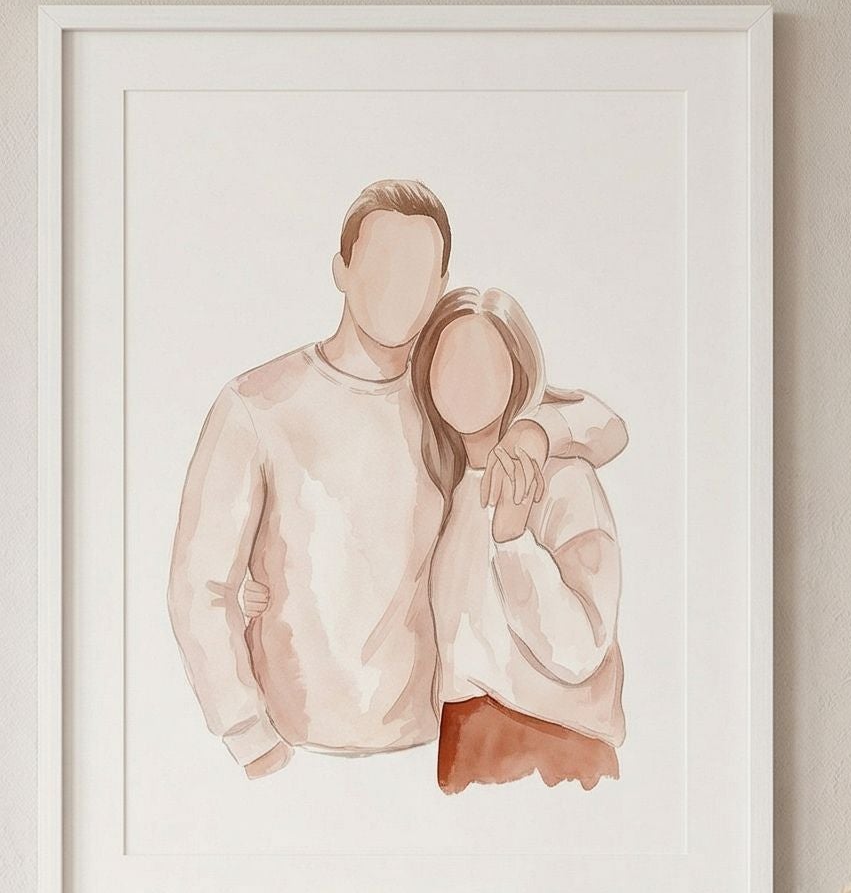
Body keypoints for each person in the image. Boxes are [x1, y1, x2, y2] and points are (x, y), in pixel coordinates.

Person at [167, 178, 627, 775]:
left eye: (419, 271)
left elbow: (603, 423)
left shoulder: (452, 390)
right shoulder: (257, 404)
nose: (398, 288)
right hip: (301, 757)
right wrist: (251, 741)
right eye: (381, 263)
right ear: (341, 268)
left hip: (438, 753)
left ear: (440, 285)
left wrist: (535, 433)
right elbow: (198, 587)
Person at [413, 287, 624, 790]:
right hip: (462, 751)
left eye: (485, 361)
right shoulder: (448, 487)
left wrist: (513, 543)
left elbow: (578, 650)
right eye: (450, 361)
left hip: (554, 756)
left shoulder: (567, 481)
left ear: (518, 371)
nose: (465, 381)